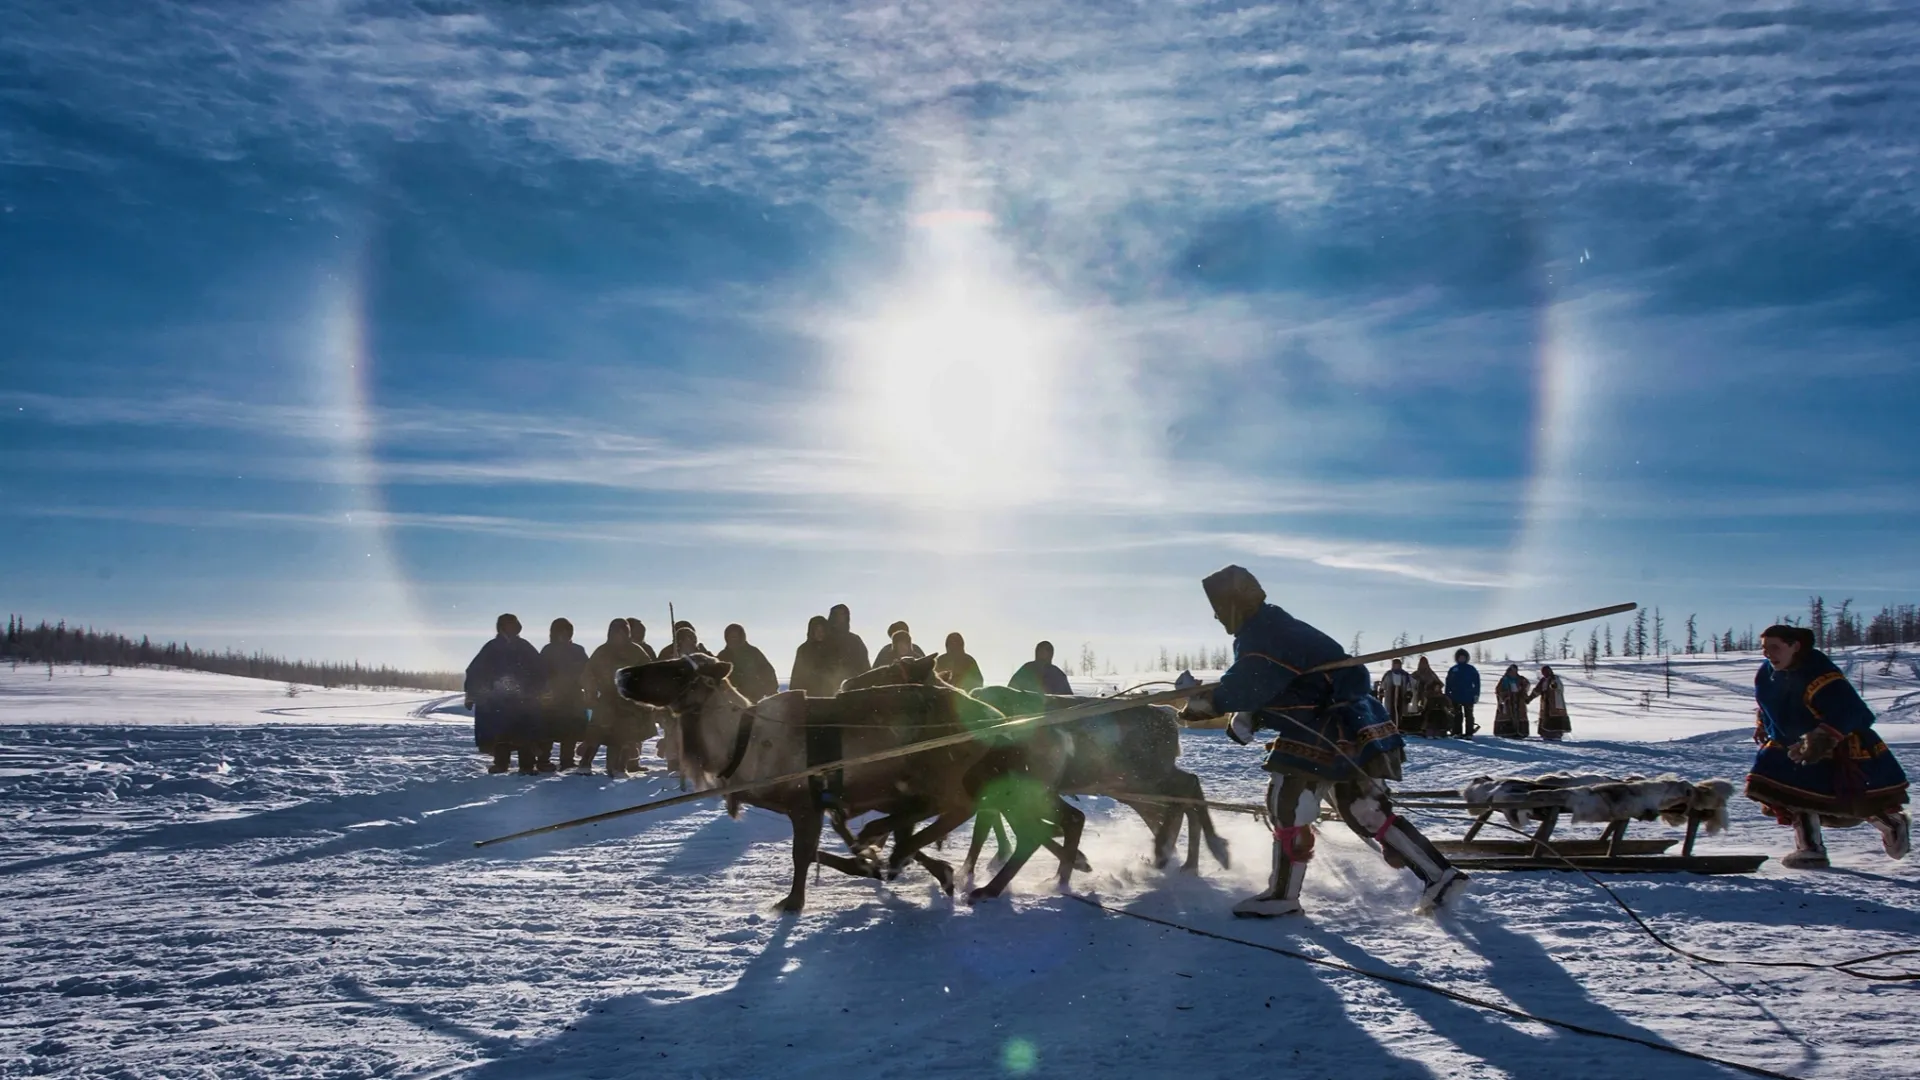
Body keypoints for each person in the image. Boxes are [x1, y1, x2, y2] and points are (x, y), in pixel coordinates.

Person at [1178, 566, 1466, 917]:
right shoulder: (1276, 627)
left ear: (1235, 604)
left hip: (1324, 727)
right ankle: (1440, 875)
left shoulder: (1264, 634)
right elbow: (1278, 686)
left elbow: (1247, 686)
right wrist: (1250, 712)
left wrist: (1205, 704)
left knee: (1287, 803)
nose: (1218, 616)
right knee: (1364, 809)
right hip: (1350, 722)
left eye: (1220, 608)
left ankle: (1283, 895)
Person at [1747, 624, 1910, 869]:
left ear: (1795, 646)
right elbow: (1770, 703)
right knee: (1786, 790)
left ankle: (1892, 824)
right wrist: (1763, 724)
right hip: (1789, 743)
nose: (1768, 654)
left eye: (1775, 647)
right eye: (1765, 648)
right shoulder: (1767, 672)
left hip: (1840, 745)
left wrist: (1821, 739)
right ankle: (1810, 849)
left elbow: (1853, 711)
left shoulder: (1819, 673)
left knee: (1852, 799)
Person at [464, 613, 545, 774]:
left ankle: (527, 765)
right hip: (498, 698)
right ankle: (501, 763)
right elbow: (475, 670)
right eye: (510, 624)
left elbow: (540, 669)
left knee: (526, 731)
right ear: (502, 626)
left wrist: (540, 689)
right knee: (500, 732)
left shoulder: (524, 646)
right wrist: (472, 692)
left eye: (515, 624)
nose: (514, 627)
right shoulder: (492, 647)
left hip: (524, 698)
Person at [578, 618, 654, 776]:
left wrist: (644, 692)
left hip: (628, 699)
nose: (619, 635)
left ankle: (619, 767)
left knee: (625, 734)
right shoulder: (602, 651)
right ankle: (585, 764)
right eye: (616, 631)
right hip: (606, 698)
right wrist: (590, 692)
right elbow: (589, 673)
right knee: (597, 731)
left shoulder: (636, 651)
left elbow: (647, 672)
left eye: (622, 631)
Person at [539, 617, 591, 771]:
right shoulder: (548, 650)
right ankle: (543, 760)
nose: (564, 634)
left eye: (567, 631)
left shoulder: (578, 650)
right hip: (553, 696)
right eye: (560, 631)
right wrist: (545, 689)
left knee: (571, 729)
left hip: (573, 696)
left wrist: (588, 687)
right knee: (548, 730)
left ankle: (567, 760)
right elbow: (541, 671)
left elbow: (587, 670)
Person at [717, 623, 779, 701]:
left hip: (754, 698)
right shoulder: (723, 656)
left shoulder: (753, 652)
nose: (733, 639)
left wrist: (772, 690)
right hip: (731, 701)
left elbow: (767, 670)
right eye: (731, 636)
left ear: (741, 637)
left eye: (735, 636)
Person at [790, 615, 839, 697]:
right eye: (817, 630)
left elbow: (838, 671)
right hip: (809, 696)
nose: (820, 633)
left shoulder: (833, 649)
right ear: (812, 631)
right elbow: (797, 675)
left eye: (822, 630)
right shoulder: (803, 650)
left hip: (830, 695)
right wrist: (794, 696)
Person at [824, 604, 870, 689]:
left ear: (846, 617)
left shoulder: (855, 641)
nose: (838, 618)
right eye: (835, 614)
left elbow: (865, 668)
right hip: (823, 689)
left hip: (851, 689)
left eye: (842, 614)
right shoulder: (822, 641)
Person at [1009, 641, 1073, 695]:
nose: (1042, 653)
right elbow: (1011, 690)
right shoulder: (1027, 669)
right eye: (1040, 651)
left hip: (1053, 708)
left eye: (1046, 651)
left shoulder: (1057, 674)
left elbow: (1068, 699)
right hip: (1025, 707)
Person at [1445, 649, 1481, 737]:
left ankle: (1469, 733)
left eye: (1463, 657)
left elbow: (1477, 682)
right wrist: (1447, 694)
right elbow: (1448, 682)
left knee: (1469, 715)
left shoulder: (1471, 669)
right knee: (1457, 715)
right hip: (1455, 696)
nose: (1462, 659)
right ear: (1457, 658)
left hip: (1468, 696)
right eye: (1460, 657)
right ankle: (1457, 732)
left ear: (1466, 658)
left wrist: (1476, 694)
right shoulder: (1453, 669)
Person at [1411, 655, 1449, 737]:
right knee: (1418, 712)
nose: (1423, 665)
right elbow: (1409, 683)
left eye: (1425, 663)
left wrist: (1433, 689)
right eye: (1422, 663)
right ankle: (1418, 728)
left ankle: (1433, 729)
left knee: (1431, 713)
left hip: (1430, 697)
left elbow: (1439, 683)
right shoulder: (1415, 674)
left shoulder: (1431, 674)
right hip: (1417, 696)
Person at [1531, 664, 1570, 740]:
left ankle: (1556, 734)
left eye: (1546, 671)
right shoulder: (1543, 681)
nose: (1545, 673)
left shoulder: (1555, 678)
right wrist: (1529, 698)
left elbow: (1559, 686)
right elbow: (1537, 691)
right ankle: (1546, 734)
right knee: (1545, 717)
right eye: (1543, 672)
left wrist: (1554, 686)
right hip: (1546, 703)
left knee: (1555, 717)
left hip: (1555, 703)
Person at [1376, 658, 1415, 732]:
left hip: (1401, 694)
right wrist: (1381, 692)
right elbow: (1383, 684)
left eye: (1398, 665)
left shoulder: (1405, 675)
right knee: (1391, 711)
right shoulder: (1388, 674)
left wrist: (1409, 693)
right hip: (1390, 694)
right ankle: (1391, 727)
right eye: (1395, 665)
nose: (1396, 666)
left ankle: (1400, 727)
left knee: (1401, 711)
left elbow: (1409, 685)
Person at [1493, 664, 1531, 738]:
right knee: (1508, 715)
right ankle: (1507, 732)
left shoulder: (1521, 679)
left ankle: (1520, 732)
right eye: (1512, 671)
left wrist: (1521, 690)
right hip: (1507, 701)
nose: (1513, 672)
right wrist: (1505, 694)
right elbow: (1498, 690)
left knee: (1519, 715)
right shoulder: (1504, 679)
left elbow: (1527, 685)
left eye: (1515, 671)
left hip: (1518, 700)